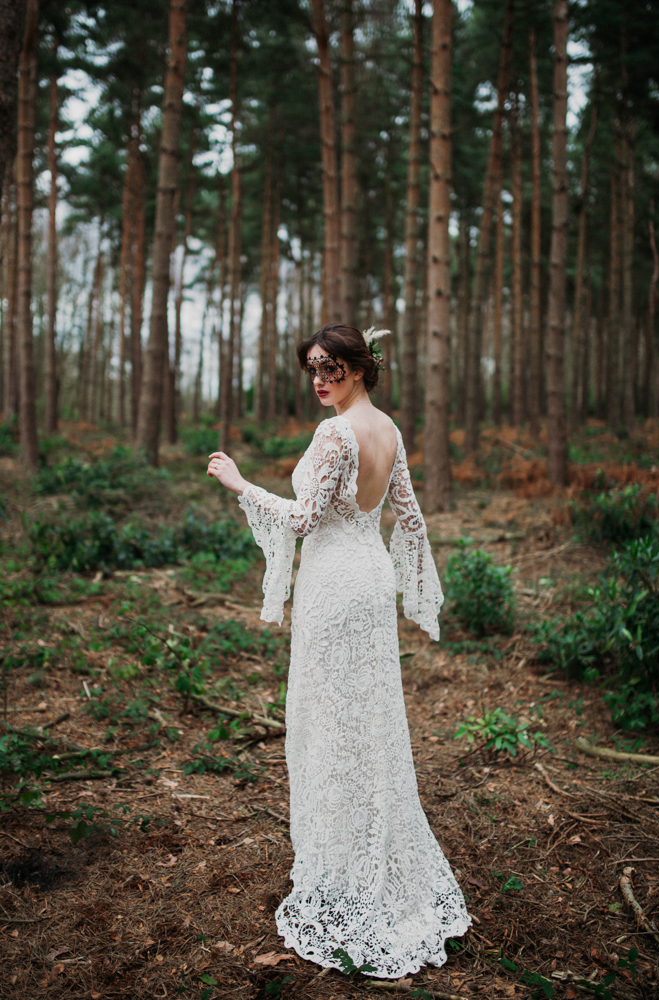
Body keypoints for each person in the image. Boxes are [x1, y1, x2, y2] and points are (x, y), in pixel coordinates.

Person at [207, 323, 470, 979]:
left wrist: (239, 484)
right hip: (370, 580)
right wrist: (412, 587)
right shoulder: (389, 429)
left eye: (329, 367)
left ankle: (346, 874)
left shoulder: (336, 432)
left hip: (335, 587)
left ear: (358, 367)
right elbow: (406, 516)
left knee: (332, 725)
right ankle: (360, 854)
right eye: (311, 369)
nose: (319, 379)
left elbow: (301, 519)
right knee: (369, 726)